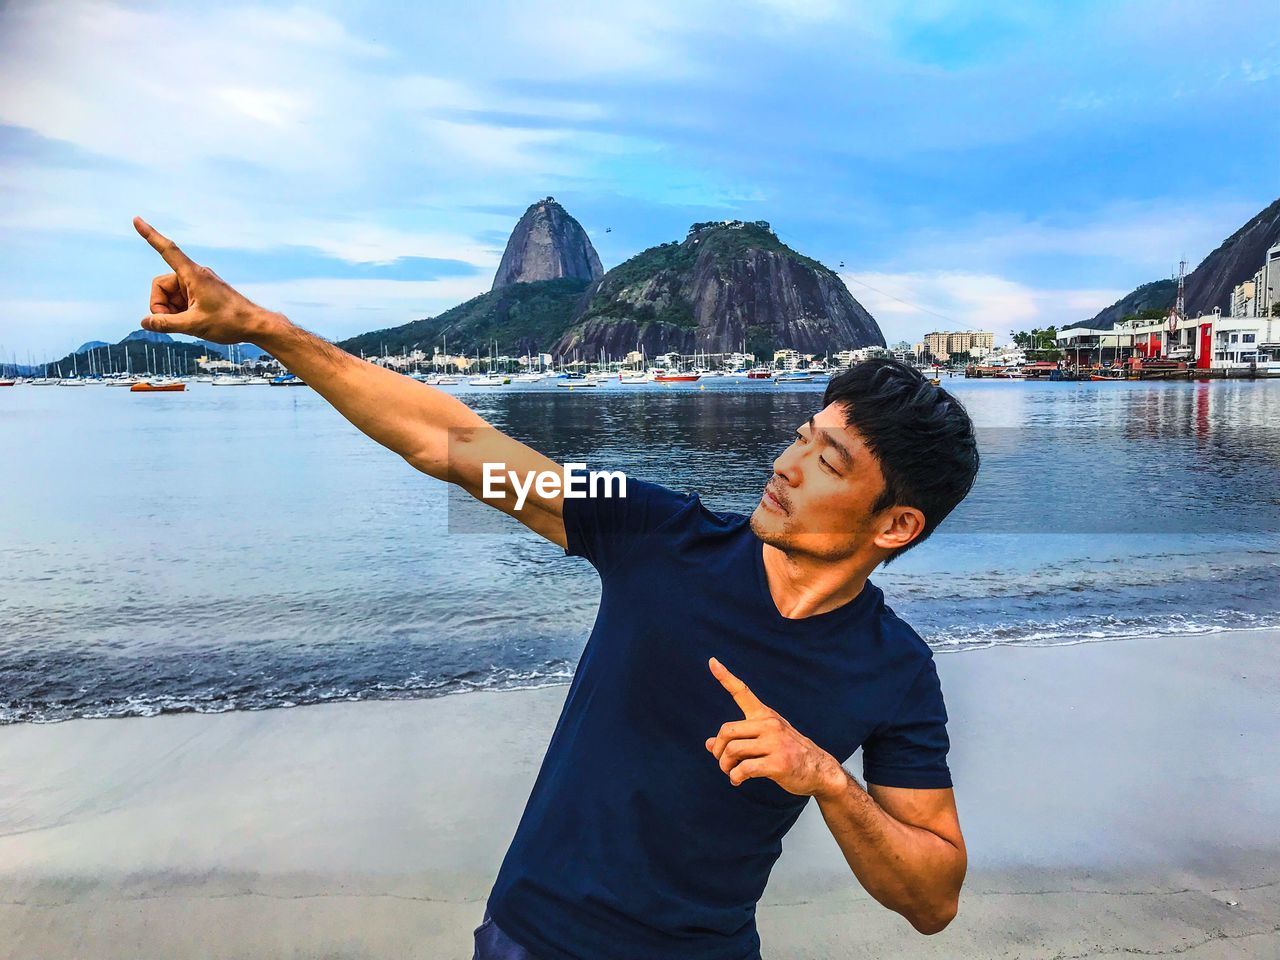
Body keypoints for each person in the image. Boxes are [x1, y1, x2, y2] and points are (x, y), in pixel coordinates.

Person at [133, 217, 977, 960]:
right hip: (535, 939)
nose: (786, 466)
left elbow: (933, 897)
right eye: (801, 437)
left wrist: (825, 776)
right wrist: (262, 327)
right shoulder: (655, 527)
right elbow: (452, 440)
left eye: (826, 461)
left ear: (896, 525)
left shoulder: (894, 669)